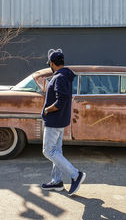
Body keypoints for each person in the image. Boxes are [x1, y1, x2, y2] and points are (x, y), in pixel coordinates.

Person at [41, 49, 86, 196]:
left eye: (50, 64)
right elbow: (62, 98)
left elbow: (61, 101)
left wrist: (47, 109)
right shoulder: (64, 76)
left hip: (54, 121)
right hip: (60, 121)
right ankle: (57, 181)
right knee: (57, 151)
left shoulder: (59, 77)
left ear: (52, 63)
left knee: (48, 151)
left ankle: (75, 175)